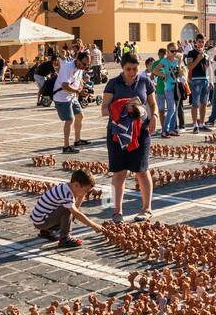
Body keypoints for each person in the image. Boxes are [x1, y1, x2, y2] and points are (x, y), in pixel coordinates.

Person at [102, 53, 157, 223]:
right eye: (128, 69)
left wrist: (153, 115)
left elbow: (153, 103)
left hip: (140, 132)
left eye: (135, 69)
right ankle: (117, 211)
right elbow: (104, 109)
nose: (132, 72)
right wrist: (124, 105)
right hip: (118, 134)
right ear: (122, 68)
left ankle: (146, 209)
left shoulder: (145, 81)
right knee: (119, 172)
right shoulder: (113, 83)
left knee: (141, 170)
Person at [29, 168, 104, 249]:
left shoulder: (67, 187)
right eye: (85, 191)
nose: (86, 193)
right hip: (41, 222)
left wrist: (81, 197)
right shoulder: (66, 193)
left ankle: (47, 231)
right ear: (76, 184)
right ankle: (65, 238)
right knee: (67, 209)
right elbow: (75, 213)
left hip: (42, 219)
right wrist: (93, 225)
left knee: (69, 210)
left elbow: (75, 210)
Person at [53, 50, 91, 154]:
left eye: (87, 65)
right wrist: (78, 91)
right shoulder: (67, 68)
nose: (85, 67)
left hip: (71, 96)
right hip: (62, 97)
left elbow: (79, 79)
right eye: (84, 64)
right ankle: (66, 147)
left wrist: (82, 87)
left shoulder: (79, 67)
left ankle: (77, 141)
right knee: (69, 120)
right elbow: (65, 86)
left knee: (80, 115)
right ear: (77, 60)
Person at [152, 46, 181, 138]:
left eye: (176, 51)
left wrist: (180, 63)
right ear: (168, 51)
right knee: (171, 109)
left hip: (176, 86)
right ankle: (165, 130)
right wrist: (163, 75)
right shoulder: (164, 61)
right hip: (168, 88)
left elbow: (179, 73)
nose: (174, 53)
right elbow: (155, 70)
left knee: (174, 108)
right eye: (172, 51)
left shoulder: (176, 61)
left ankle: (172, 129)